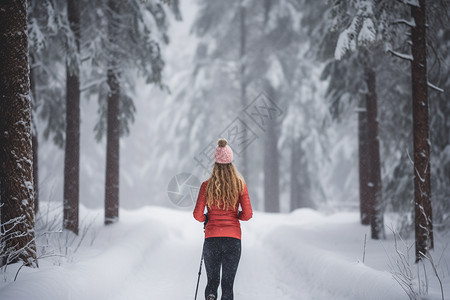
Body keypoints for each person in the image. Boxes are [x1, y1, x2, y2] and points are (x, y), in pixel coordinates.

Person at [193, 138, 253, 300]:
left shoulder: (207, 185)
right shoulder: (240, 185)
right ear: (231, 164)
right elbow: (247, 215)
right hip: (233, 241)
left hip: (212, 239)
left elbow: (197, 215)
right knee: (227, 285)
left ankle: (211, 295)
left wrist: (207, 217)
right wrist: (236, 215)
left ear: (215, 164)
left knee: (212, 282)